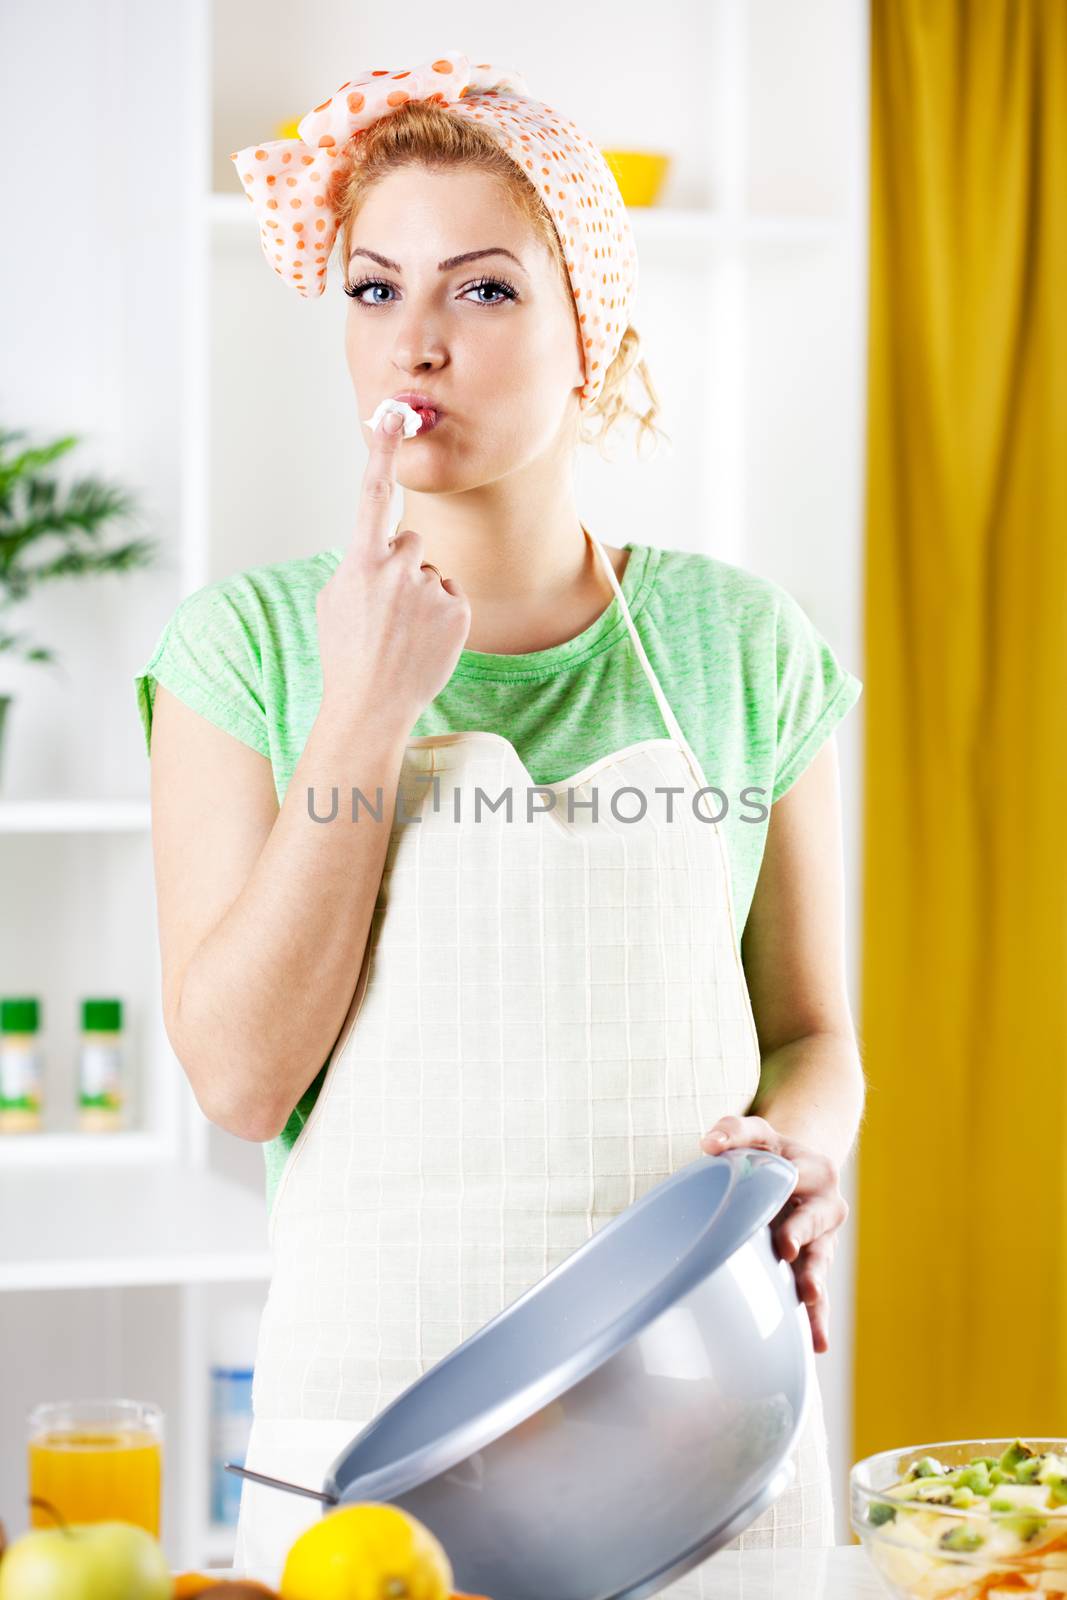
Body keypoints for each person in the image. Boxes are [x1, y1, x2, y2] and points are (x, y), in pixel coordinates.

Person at [133, 53, 865, 1593]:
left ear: (588, 327)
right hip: (371, 1453)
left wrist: (803, 1146)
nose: (417, 341)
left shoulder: (743, 645)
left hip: (703, 1433)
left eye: (483, 292)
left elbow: (815, 1036)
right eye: (373, 288)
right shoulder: (246, 652)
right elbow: (244, 1079)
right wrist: (366, 708)